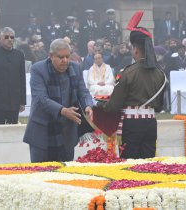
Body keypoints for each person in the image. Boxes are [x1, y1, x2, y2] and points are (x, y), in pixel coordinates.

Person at [97, 11, 166, 159]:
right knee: (148, 164)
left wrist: (100, 105)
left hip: (132, 125)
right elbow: (160, 106)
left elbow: (114, 105)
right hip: (151, 123)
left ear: (135, 49)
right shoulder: (161, 74)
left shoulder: (128, 72)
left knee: (129, 164)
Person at [23, 38, 93, 162]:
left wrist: (88, 105)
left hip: (67, 133)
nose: (65, 61)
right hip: (42, 132)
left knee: (65, 176)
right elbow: (40, 99)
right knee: (39, 176)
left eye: (67, 56)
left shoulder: (76, 68)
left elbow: (83, 91)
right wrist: (63, 110)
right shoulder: (37, 69)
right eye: (61, 57)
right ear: (51, 56)